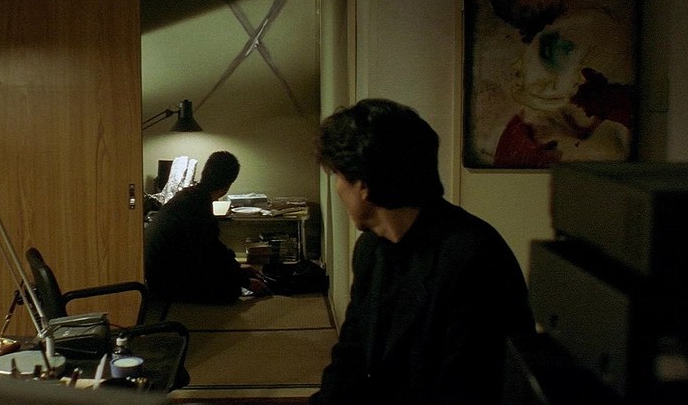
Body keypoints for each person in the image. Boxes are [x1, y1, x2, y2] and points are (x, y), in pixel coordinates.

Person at [311, 99, 535, 404]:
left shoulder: (474, 259)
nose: (337, 187)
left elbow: (471, 389)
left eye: (338, 176)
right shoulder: (370, 249)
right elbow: (351, 356)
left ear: (363, 186)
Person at [144, 151, 267, 305]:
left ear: (204, 172)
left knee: (224, 276)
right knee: (230, 291)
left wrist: (238, 268)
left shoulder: (188, 196)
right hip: (167, 283)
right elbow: (210, 252)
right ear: (228, 185)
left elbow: (210, 248)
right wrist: (245, 281)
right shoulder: (198, 204)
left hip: (157, 274)